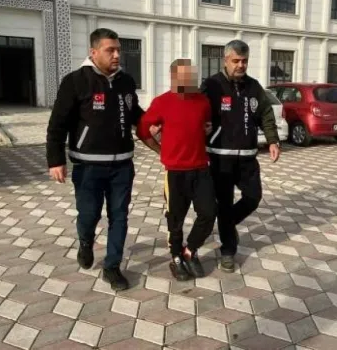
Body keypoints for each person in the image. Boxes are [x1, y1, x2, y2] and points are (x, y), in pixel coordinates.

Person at [46, 28, 148, 291]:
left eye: (118, 50)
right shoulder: (75, 81)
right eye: (110, 50)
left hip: (122, 164)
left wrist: (153, 123)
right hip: (88, 165)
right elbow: (57, 123)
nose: (116, 55)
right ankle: (85, 242)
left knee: (119, 216)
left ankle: (112, 267)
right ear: (93, 52)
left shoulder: (126, 81)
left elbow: (134, 112)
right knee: (89, 214)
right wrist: (55, 160)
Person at [200, 40, 281, 273]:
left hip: (247, 157)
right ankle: (228, 251)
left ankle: (226, 223)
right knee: (224, 204)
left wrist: (273, 140)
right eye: (236, 61)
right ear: (225, 60)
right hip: (220, 158)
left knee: (253, 197)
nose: (241, 65)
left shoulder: (254, 87)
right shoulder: (212, 85)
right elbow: (197, 111)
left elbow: (266, 114)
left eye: (244, 61)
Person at [137, 59, 217, 281]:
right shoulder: (162, 102)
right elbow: (142, 131)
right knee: (176, 219)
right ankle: (176, 257)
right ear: (173, 78)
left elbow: (205, 126)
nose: (188, 80)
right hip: (174, 172)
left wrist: (206, 131)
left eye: (190, 76)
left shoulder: (203, 102)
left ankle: (190, 251)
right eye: (183, 76)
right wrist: (159, 149)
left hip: (200, 169)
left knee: (209, 213)